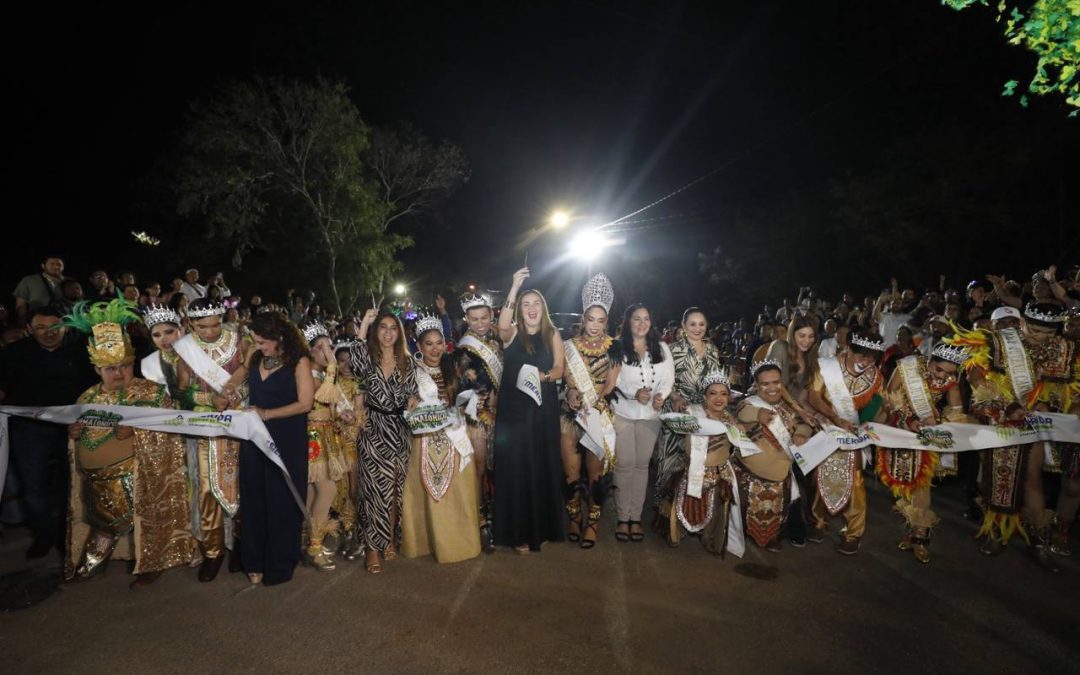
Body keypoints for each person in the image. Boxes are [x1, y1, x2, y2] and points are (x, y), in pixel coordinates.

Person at [61, 297, 197, 586]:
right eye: (110, 368)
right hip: (96, 482)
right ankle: (89, 566)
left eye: (124, 365)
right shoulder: (86, 398)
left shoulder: (153, 393)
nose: (119, 372)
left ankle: (152, 562)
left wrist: (139, 433)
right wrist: (73, 435)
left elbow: (172, 433)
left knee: (143, 524)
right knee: (102, 527)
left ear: (133, 361)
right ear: (97, 369)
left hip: (138, 481)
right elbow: (78, 434)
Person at [946, 320, 1056, 571]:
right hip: (997, 421)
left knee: (1033, 478)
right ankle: (995, 531)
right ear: (1024, 324)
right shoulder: (994, 342)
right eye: (1036, 331)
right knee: (997, 477)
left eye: (1048, 332)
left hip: (1031, 423)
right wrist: (1007, 406)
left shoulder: (1057, 349)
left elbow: (1058, 388)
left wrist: (1047, 403)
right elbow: (976, 378)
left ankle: (1038, 539)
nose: (1041, 337)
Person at [0, 306, 97, 558]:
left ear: (65, 327)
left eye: (54, 327)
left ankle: (70, 534)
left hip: (74, 428)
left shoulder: (81, 352)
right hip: (29, 429)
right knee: (32, 484)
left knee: (73, 481)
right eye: (41, 328)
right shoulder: (13, 353)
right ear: (30, 329)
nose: (48, 333)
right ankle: (43, 534)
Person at [175, 297, 253, 581]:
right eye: (203, 326)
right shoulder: (185, 349)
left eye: (215, 324)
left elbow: (251, 377)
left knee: (244, 485)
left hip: (238, 423)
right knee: (207, 490)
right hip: (207, 428)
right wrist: (210, 398)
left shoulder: (239, 340)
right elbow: (182, 391)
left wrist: (236, 395)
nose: (210, 331)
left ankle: (242, 547)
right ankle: (213, 551)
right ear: (192, 323)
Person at [491, 267, 566, 553]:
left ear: (543, 309)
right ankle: (517, 533)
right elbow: (501, 325)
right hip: (513, 413)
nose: (531, 308)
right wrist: (514, 287)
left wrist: (541, 376)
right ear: (520, 310)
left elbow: (559, 369)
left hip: (542, 410)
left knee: (541, 465)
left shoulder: (552, 334)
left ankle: (541, 528)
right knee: (516, 469)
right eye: (526, 304)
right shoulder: (512, 334)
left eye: (536, 304)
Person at [239, 312, 313, 586]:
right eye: (255, 341)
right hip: (254, 438)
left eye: (262, 342)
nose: (258, 346)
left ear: (279, 337)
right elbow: (238, 382)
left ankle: (280, 562)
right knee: (254, 498)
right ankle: (254, 560)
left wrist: (266, 413)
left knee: (282, 501)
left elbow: (305, 403)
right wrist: (226, 395)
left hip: (286, 438)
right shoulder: (256, 357)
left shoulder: (299, 361)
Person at [876, 343, 968, 563]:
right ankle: (913, 529)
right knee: (900, 484)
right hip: (898, 428)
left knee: (921, 481)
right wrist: (909, 418)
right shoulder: (907, 367)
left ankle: (920, 535)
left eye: (949, 373)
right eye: (939, 370)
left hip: (925, 434)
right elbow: (889, 398)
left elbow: (956, 412)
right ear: (930, 361)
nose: (943, 376)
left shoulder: (950, 381)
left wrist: (939, 421)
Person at [401, 315, 481, 563]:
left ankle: (459, 542)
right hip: (424, 437)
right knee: (424, 489)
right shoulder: (411, 372)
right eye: (428, 344)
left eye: (439, 343)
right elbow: (405, 401)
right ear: (419, 345)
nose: (435, 349)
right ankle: (426, 542)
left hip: (454, 434)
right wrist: (411, 402)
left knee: (458, 490)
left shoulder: (454, 368)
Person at [349, 308, 418, 573]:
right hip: (373, 429)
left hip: (399, 431)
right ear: (376, 332)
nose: (388, 333)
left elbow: (413, 393)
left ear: (399, 332)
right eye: (382, 327)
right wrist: (365, 321)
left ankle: (387, 537)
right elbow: (353, 358)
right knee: (373, 492)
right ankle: (371, 548)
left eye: (393, 328)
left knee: (394, 490)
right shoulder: (367, 358)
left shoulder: (408, 362)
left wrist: (414, 400)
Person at [807, 330, 886, 554]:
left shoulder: (876, 376)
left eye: (872, 358)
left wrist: (872, 424)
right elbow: (814, 396)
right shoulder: (827, 366)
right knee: (820, 477)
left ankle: (853, 532)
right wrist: (835, 418)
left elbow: (880, 405)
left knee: (856, 482)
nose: (867, 362)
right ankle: (818, 522)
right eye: (862, 356)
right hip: (828, 428)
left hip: (855, 434)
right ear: (848, 349)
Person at [560, 273, 621, 548]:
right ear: (583, 319)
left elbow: (610, 385)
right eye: (590, 319)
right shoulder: (567, 346)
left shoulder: (615, 347)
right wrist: (571, 393)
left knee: (595, 473)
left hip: (597, 414)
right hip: (569, 416)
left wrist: (594, 398)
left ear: (607, 321)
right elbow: (563, 379)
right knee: (571, 472)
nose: (595, 325)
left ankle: (592, 524)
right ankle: (574, 519)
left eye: (600, 320)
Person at [1018, 302, 1080, 561]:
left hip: (1069, 424)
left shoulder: (1072, 353)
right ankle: (1038, 533)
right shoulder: (1013, 350)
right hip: (1034, 423)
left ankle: (1062, 530)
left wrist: (1075, 406)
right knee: (1031, 473)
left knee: (1074, 485)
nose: (1033, 335)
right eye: (1030, 328)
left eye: (1041, 332)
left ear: (1055, 333)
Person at [733, 360, 813, 552]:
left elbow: (804, 423)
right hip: (752, 472)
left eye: (776, 382)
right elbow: (743, 412)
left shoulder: (787, 407)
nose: (772, 388)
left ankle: (777, 533)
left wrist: (801, 433)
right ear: (756, 386)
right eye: (765, 384)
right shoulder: (749, 404)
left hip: (783, 470)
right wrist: (759, 413)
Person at [611, 303, 673, 543]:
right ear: (628, 322)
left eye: (646, 318)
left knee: (641, 465)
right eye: (636, 318)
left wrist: (661, 396)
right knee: (624, 464)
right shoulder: (617, 347)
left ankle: (635, 518)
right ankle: (622, 517)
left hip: (650, 417)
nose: (641, 323)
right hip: (623, 412)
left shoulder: (662, 348)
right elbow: (613, 380)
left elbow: (668, 379)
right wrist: (633, 393)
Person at [658, 369, 736, 552]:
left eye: (724, 394)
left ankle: (709, 537)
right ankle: (679, 532)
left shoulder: (730, 419)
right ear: (704, 396)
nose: (718, 398)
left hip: (717, 474)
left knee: (715, 506)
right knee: (681, 503)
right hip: (690, 470)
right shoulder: (693, 413)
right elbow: (674, 422)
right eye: (713, 393)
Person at [655, 307, 721, 517]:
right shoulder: (671, 350)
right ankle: (664, 509)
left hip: (702, 413)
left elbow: (715, 381)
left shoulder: (712, 350)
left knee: (696, 459)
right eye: (692, 324)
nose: (697, 329)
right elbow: (664, 381)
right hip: (677, 410)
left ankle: (691, 510)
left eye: (701, 324)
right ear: (683, 326)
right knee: (671, 458)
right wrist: (675, 397)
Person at [454, 290, 504, 550]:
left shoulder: (498, 340)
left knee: (497, 468)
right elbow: (464, 384)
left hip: (500, 415)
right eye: (474, 319)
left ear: (491, 315)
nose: (480, 323)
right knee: (479, 467)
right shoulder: (465, 347)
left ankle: (498, 516)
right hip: (476, 416)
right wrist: (484, 398)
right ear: (467, 319)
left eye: (484, 317)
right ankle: (480, 519)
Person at [301, 322, 350, 571]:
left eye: (330, 347)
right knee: (327, 491)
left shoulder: (320, 373)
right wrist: (332, 367)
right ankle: (314, 546)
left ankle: (307, 540)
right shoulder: (307, 372)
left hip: (324, 434)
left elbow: (331, 403)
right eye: (323, 348)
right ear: (311, 350)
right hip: (312, 438)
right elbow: (320, 397)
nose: (329, 352)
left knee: (312, 493)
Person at [330, 340, 364, 560]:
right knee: (339, 486)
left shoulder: (360, 382)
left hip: (353, 438)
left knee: (354, 486)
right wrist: (337, 417)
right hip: (335, 439)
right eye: (341, 361)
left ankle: (358, 530)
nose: (346, 365)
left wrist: (354, 418)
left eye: (350, 360)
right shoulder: (330, 383)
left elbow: (360, 410)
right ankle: (346, 527)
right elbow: (330, 409)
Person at [139, 303, 185, 399]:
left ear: (181, 331)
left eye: (169, 332)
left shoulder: (198, 353)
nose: (163, 339)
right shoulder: (148, 363)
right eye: (156, 335)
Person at [12, 255, 65, 325]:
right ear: (43, 266)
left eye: (59, 264)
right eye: (52, 264)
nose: (56, 267)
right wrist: (22, 324)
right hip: (39, 324)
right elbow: (21, 305)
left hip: (66, 323)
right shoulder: (29, 280)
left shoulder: (70, 282)